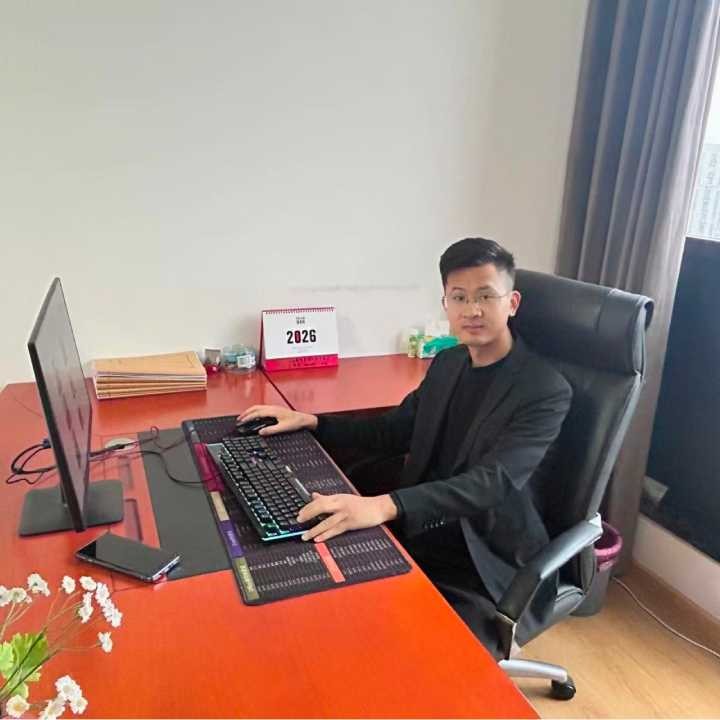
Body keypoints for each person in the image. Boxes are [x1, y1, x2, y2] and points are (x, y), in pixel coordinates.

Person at [239, 237, 572, 657]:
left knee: (414, 656)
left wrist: (385, 505)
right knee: (304, 574)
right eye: (459, 297)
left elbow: (492, 482)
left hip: (484, 554)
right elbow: (394, 430)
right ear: (446, 304)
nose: (472, 310)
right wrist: (314, 423)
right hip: (423, 523)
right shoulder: (449, 363)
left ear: (512, 303)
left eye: (486, 296)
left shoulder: (544, 389)